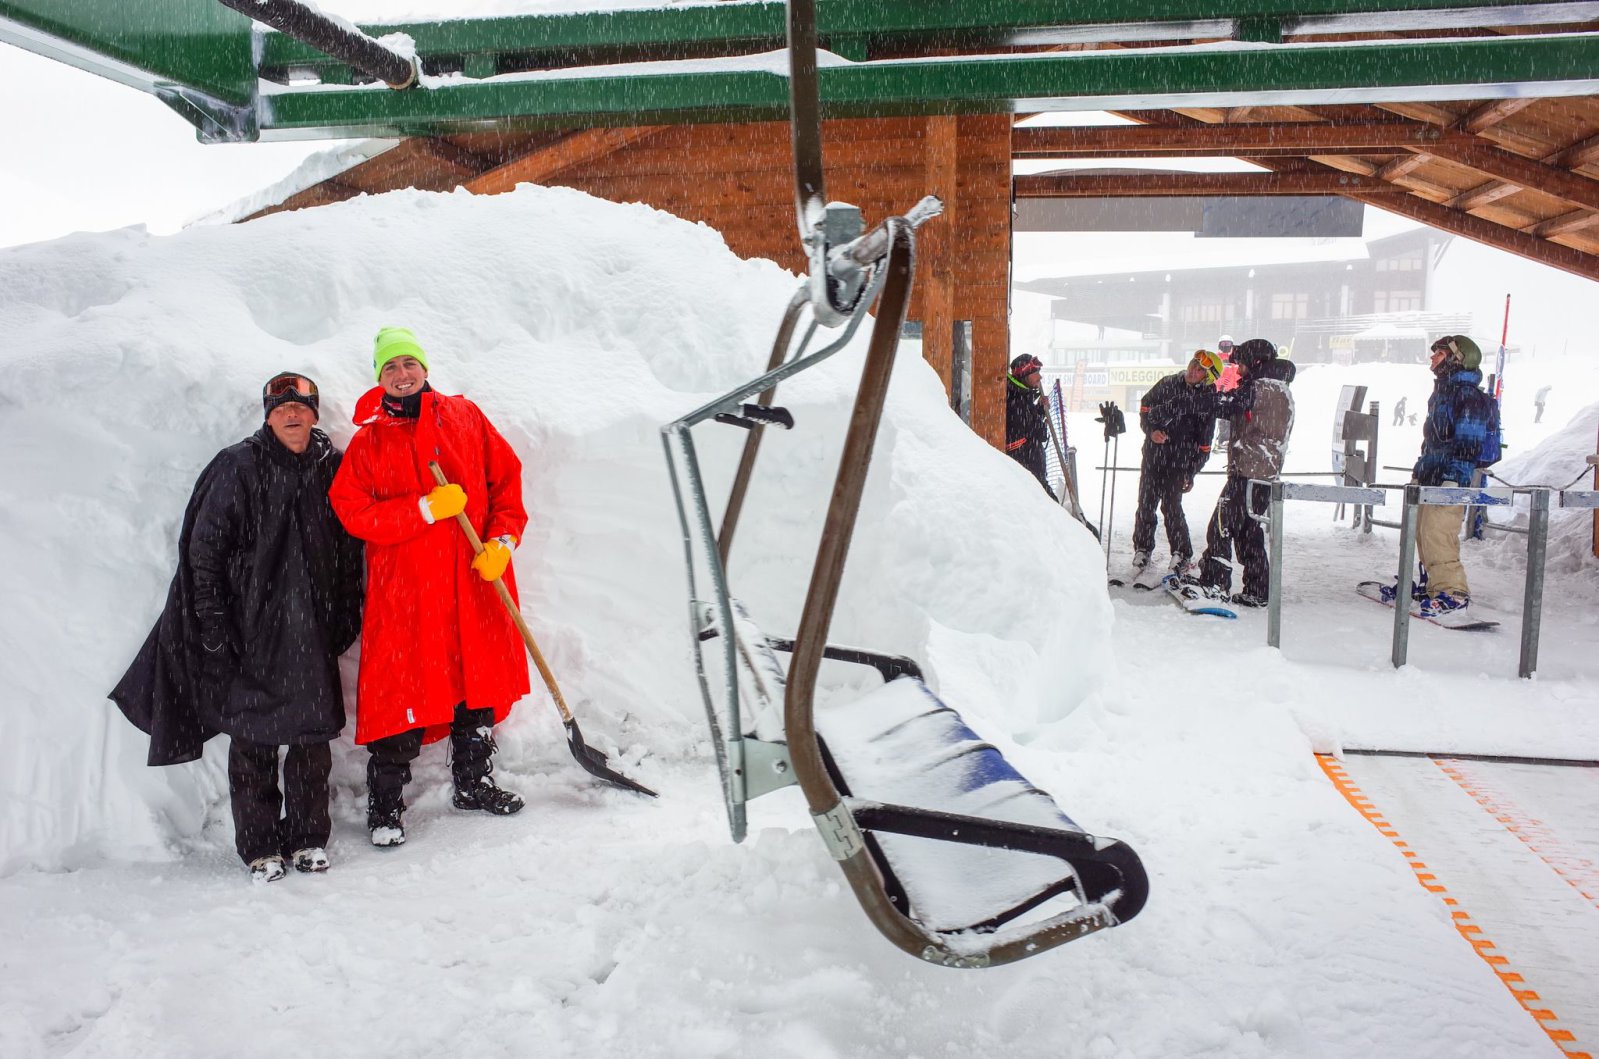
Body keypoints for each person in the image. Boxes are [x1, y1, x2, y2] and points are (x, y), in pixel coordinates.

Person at [110, 373, 363, 883]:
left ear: (315, 413)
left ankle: (310, 839)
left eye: (301, 406)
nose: (291, 414)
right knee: (254, 743)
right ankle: (260, 847)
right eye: (280, 407)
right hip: (249, 631)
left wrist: (345, 614)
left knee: (312, 742)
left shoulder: (332, 467)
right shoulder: (237, 465)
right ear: (267, 414)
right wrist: (213, 622)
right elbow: (204, 552)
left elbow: (348, 550)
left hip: (310, 629)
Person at [330, 327, 531, 848]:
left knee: (474, 687)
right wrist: (420, 509)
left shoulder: (465, 417)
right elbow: (352, 511)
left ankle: (474, 782)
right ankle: (385, 805)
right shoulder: (370, 441)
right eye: (390, 367)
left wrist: (502, 542)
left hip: (471, 580)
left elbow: (505, 483)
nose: (401, 374)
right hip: (407, 593)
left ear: (424, 367)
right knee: (402, 695)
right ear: (380, 378)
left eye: (408, 363)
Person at [1183, 339, 1296, 607]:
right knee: (1248, 532)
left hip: (1249, 472)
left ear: (1256, 362)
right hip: (1263, 474)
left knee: (1221, 525)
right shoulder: (1280, 390)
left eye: (1242, 364)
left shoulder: (1260, 388)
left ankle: (1214, 582)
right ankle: (1257, 589)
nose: (1240, 370)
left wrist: (1200, 395)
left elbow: (1226, 404)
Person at [1397, 335, 1496, 617]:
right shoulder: (1443, 393)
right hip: (1432, 476)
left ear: (1456, 358)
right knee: (1422, 532)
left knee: (1438, 534)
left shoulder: (1468, 396)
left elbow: (1468, 442)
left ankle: (1453, 592)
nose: (1432, 359)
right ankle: (1434, 587)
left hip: (1450, 480)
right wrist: (1420, 471)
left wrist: (1454, 478)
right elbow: (1432, 442)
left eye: (1439, 354)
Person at [1129, 350, 1222, 577]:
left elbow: (1204, 445)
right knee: (1146, 504)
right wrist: (1151, 432)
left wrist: (1191, 472)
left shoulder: (1207, 400)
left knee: (1171, 507)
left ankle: (1181, 552)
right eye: (1193, 364)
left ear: (1208, 377)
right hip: (1153, 456)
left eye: (1200, 369)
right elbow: (1145, 409)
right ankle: (1143, 548)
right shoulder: (1168, 383)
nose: (1193, 370)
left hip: (1180, 463)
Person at [1004, 353, 1058, 500]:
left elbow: (1029, 424)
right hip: (1028, 478)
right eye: (1035, 372)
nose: (1039, 377)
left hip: (1031, 477)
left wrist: (1039, 410)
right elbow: (1036, 432)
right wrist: (1039, 417)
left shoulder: (1020, 397)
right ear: (1024, 374)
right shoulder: (1016, 402)